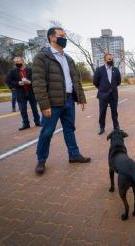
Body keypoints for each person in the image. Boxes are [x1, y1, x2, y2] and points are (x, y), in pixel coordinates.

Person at [32, 27, 91, 174]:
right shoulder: (42, 57)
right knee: (47, 132)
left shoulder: (68, 59)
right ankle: (41, 160)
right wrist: (44, 105)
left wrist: (81, 98)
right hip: (52, 104)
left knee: (69, 130)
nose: (64, 38)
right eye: (61, 35)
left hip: (69, 101)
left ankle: (74, 155)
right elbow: (38, 83)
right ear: (52, 37)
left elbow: (75, 80)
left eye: (64, 35)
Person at [6, 57, 41, 130]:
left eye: (18, 61)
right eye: (15, 62)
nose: (17, 63)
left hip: (31, 91)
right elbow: (8, 81)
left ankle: (37, 121)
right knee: (22, 109)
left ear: (22, 61)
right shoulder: (12, 71)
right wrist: (18, 83)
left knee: (34, 108)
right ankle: (26, 123)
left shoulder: (30, 70)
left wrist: (30, 82)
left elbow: (36, 79)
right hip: (20, 92)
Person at [93, 53, 121, 135]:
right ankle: (102, 127)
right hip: (103, 95)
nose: (111, 60)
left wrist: (112, 88)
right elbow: (95, 82)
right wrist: (102, 88)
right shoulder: (99, 70)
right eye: (109, 59)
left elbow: (118, 82)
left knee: (114, 112)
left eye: (112, 59)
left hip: (113, 95)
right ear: (105, 60)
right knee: (102, 112)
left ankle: (116, 127)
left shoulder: (116, 70)